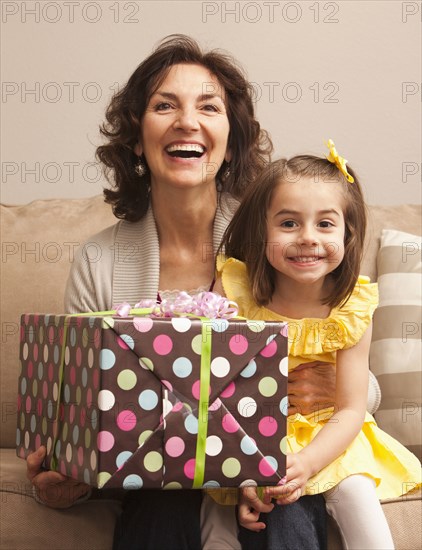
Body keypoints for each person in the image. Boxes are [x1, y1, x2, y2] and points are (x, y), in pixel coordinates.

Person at [25, 35, 377, 549]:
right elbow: (80, 401)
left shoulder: (281, 237)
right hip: (156, 472)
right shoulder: (98, 262)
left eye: (207, 107)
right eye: (163, 105)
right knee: (165, 503)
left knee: (283, 509)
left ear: (231, 139)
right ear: (136, 138)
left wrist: (342, 389)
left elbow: (350, 368)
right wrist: (69, 473)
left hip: (266, 458)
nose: (186, 121)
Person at [211, 143, 422, 549]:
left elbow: (350, 408)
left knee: (357, 493)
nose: (308, 238)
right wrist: (245, 467)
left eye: (325, 224)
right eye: (288, 224)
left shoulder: (351, 307)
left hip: (332, 435)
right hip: (254, 435)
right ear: (262, 230)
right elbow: (219, 392)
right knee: (215, 512)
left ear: (348, 233)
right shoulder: (235, 291)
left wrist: (307, 463)